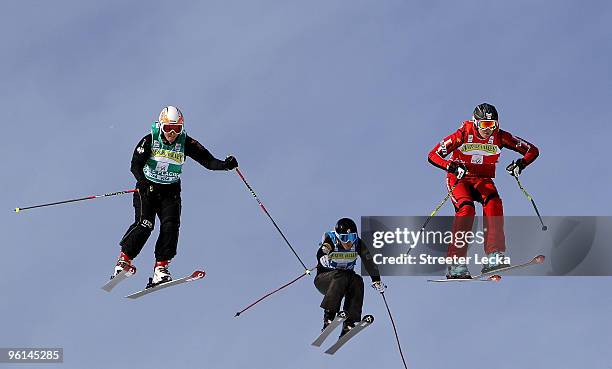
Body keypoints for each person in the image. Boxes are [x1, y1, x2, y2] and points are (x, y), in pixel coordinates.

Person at [112, 106, 238, 288]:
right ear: (161, 126)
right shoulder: (149, 140)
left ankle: (161, 268)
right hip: (147, 189)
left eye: (177, 129)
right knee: (145, 225)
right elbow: (135, 165)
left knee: (170, 226)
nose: (172, 133)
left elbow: (208, 161)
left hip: (170, 191)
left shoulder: (186, 143)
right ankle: (124, 260)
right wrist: (145, 184)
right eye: (168, 128)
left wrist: (225, 165)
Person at [427, 103, 539, 279]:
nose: (488, 130)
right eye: (484, 125)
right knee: (467, 209)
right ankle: (456, 262)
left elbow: (532, 150)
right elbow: (433, 155)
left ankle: (494, 256)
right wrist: (451, 166)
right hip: (460, 179)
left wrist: (521, 164)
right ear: (475, 122)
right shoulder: (463, 134)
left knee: (494, 202)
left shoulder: (501, 137)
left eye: (492, 125)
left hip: (482, 179)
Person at [315, 217, 385, 336]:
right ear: (338, 236)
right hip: (324, 280)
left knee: (357, 280)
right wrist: (323, 256)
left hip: (344, 282)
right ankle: (329, 316)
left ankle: (349, 322)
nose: (348, 242)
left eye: (351, 237)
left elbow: (369, 261)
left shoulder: (357, 243)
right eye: (344, 238)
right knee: (342, 275)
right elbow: (324, 249)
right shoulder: (331, 240)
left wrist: (376, 280)